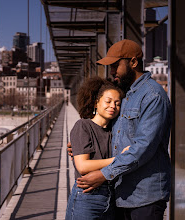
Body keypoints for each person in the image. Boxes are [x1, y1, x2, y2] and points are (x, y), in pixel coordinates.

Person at [74, 39, 172, 220]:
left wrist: (104, 174)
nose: (111, 72)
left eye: (115, 65)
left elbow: (143, 147)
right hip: (120, 194)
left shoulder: (153, 95)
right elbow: (112, 134)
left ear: (133, 62)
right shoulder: (124, 95)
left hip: (145, 196)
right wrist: (81, 144)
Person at [65, 76, 128, 220]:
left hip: (112, 198)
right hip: (87, 198)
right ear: (96, 103)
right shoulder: (83, 126)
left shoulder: (115, 131)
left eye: (117, 103)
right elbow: (83, 166)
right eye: (108, 101)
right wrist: (119, 159)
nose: (113, 106)